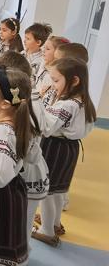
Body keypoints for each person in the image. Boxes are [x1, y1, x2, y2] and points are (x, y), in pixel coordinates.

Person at [32, 57, 96, 247]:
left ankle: (47, 231)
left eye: (56, 80)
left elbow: (46, 127)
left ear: (74, 81)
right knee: (58, 191)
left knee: (48, 192)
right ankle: (55, 223)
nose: (52, 85)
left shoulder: (66, 105)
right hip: (69, 149)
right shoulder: (81, 100)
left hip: (55, 148)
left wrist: (35, 101)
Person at [0, 65, 39, 266]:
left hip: (1, 198)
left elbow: (0, 176)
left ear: (4, 103)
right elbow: (32, 157)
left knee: (2, 245)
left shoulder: (2, 132)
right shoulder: (20, 123)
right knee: (11, 239)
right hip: (14, 192)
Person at [0, 51, 49, 253]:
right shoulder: (21, 104)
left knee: (21, 230)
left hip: (28, 176)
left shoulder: (30, 107)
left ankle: (18, 256)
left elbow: (29, 149)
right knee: (16, 226)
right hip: (23, 173)